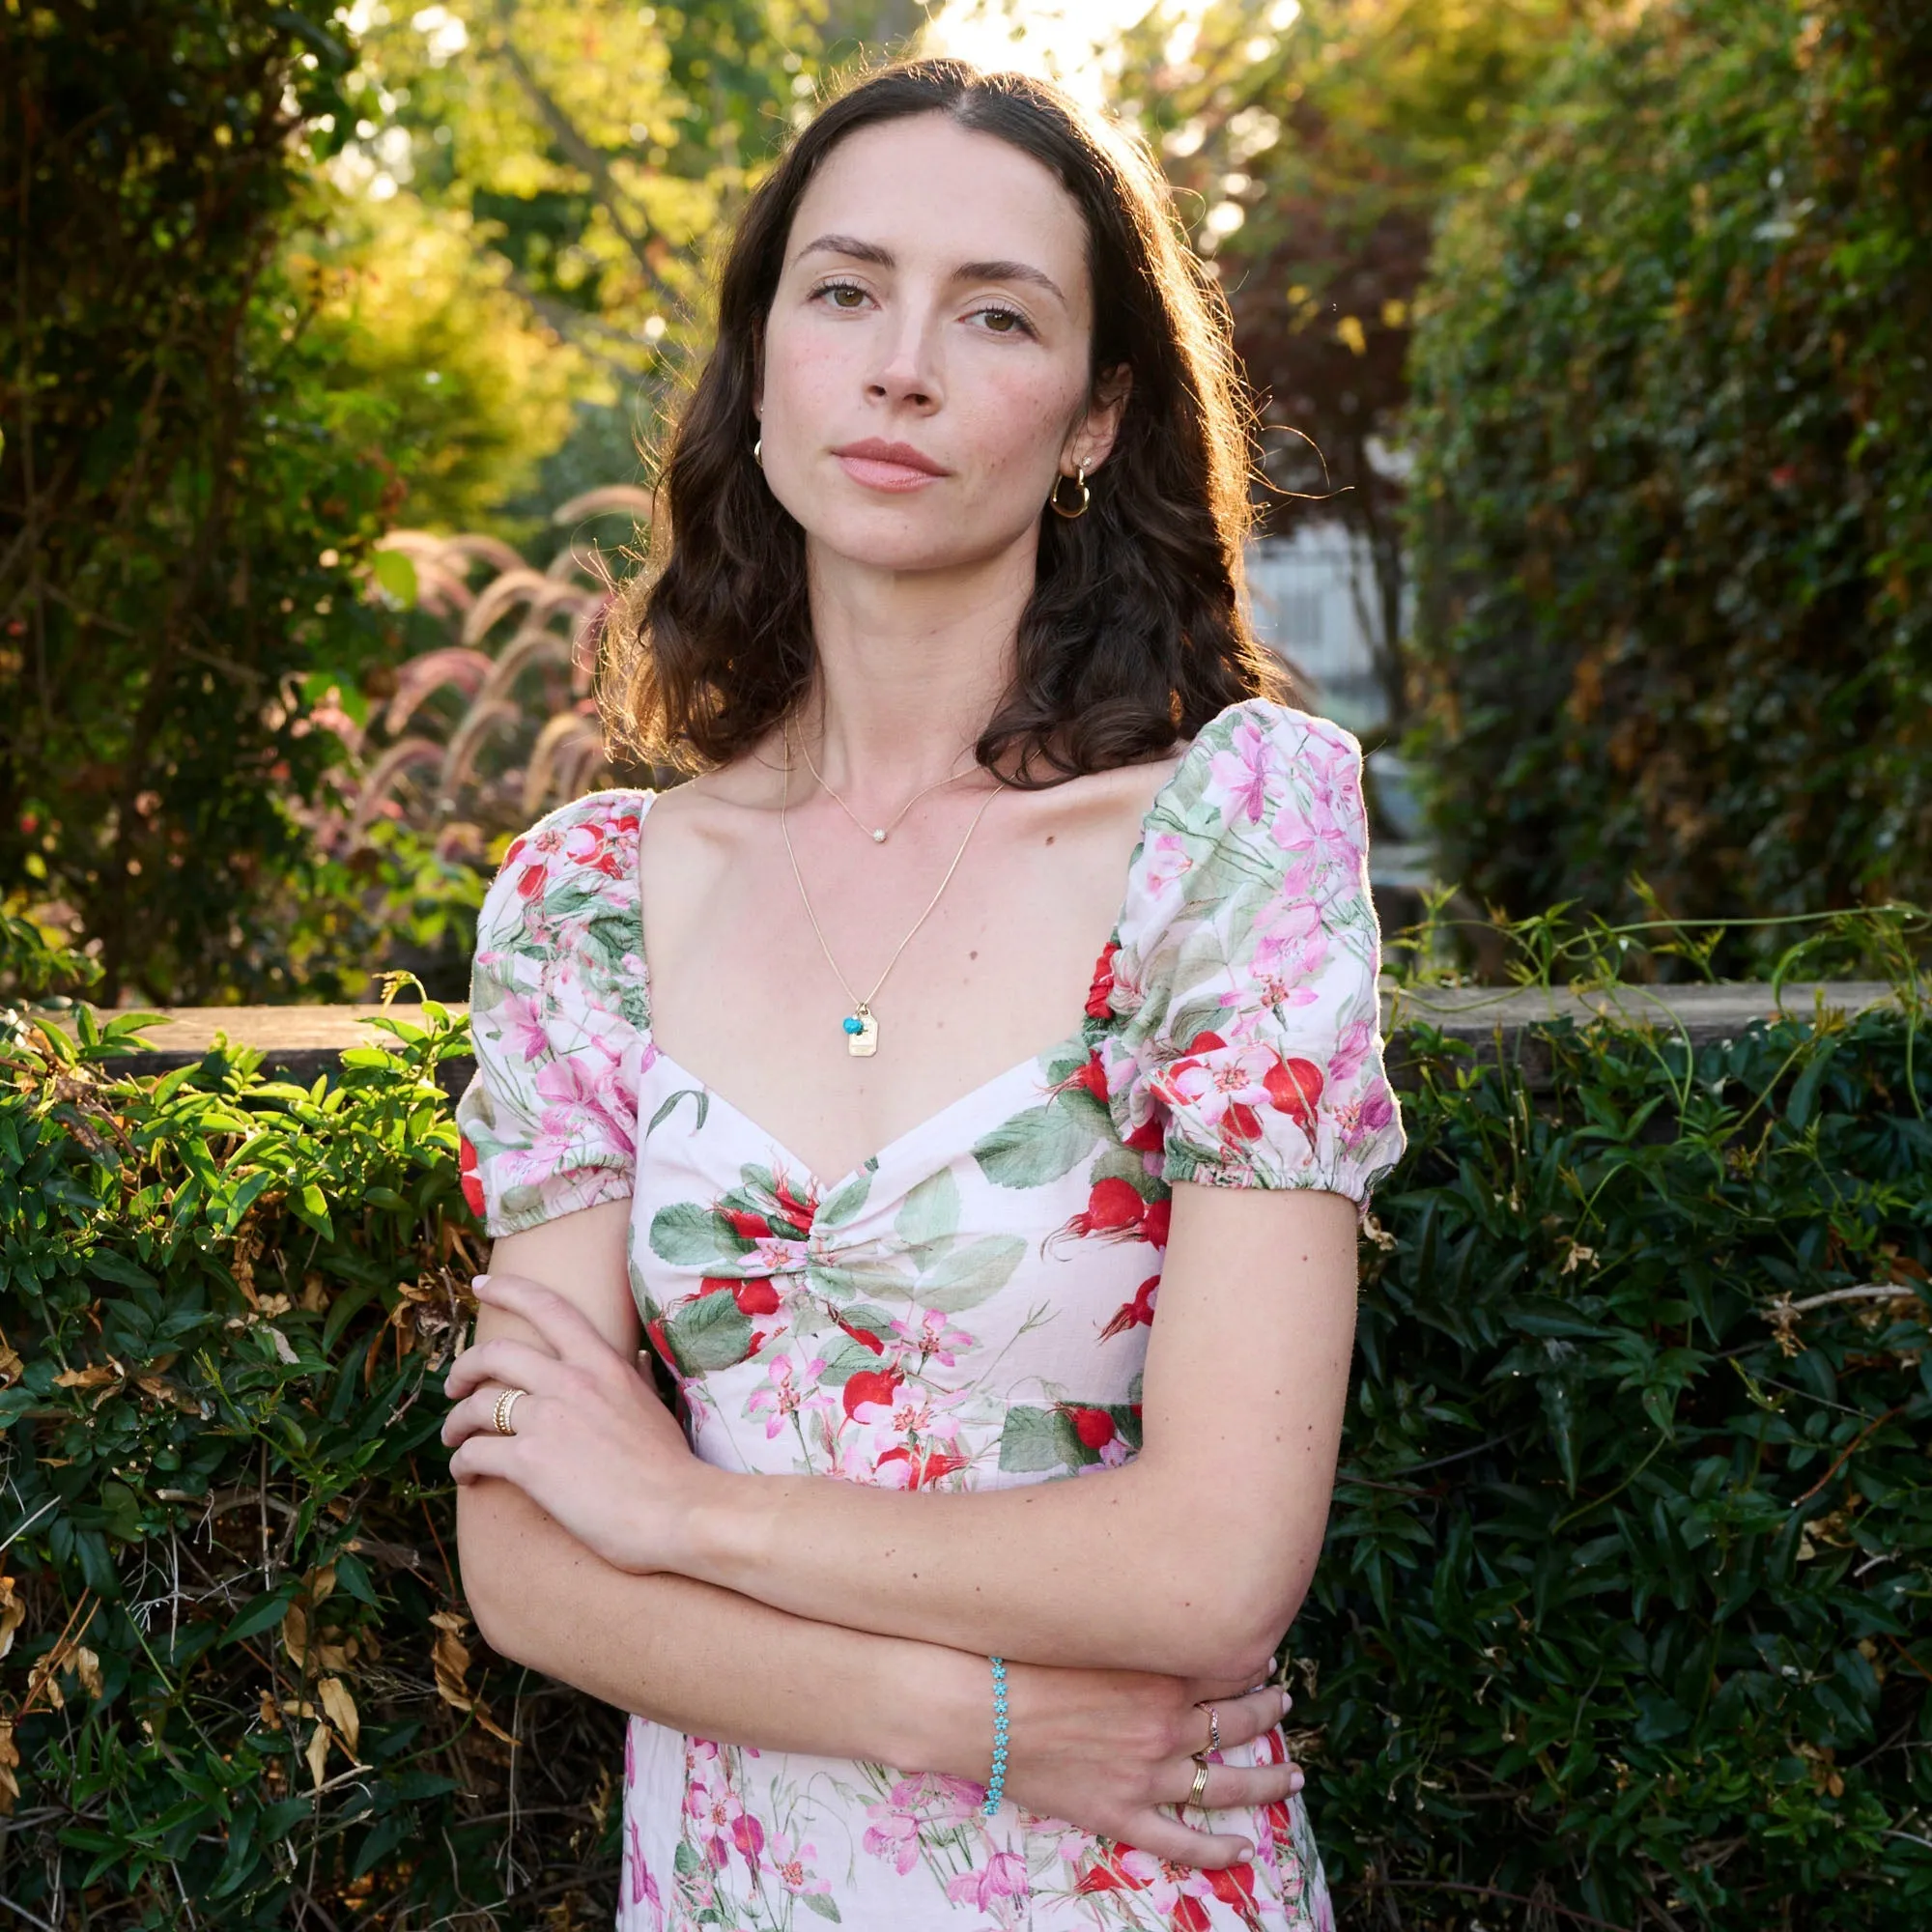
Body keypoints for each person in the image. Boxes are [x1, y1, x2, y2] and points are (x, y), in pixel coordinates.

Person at [440, 56, 1405, 1932]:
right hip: (739, 1877)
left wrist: (689, 1514)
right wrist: (964, 1720)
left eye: (994, 314)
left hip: (1127, 1880)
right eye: (845, 290)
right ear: (762, 361)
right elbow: (526, 1556)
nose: (903, 365)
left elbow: (1215, 1563)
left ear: (1095, 419)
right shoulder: (582, 909)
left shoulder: (1227, 838)